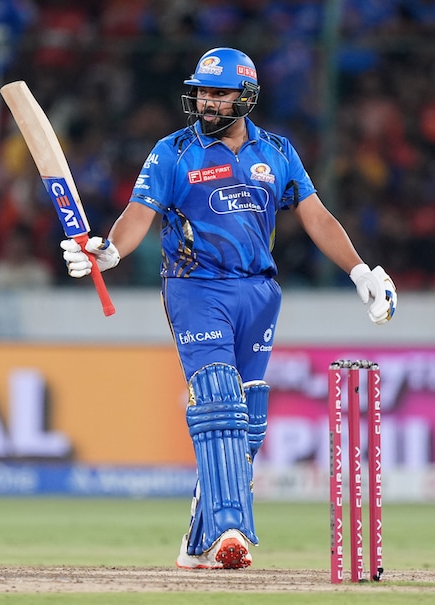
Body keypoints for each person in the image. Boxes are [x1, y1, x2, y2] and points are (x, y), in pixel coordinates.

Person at [59, 47, 397, 569]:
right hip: (196, 288)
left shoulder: (277, 152)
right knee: (218, 399)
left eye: (219, 93)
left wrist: (360, 272)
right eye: (202, 93)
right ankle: (229, 531)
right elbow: (137, 214)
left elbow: (317, 217)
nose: (207, 102)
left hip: (258, 293)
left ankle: (196, 545)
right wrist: (110, 252)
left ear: (247, 97)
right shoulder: (174, 152)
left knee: (248, 421)